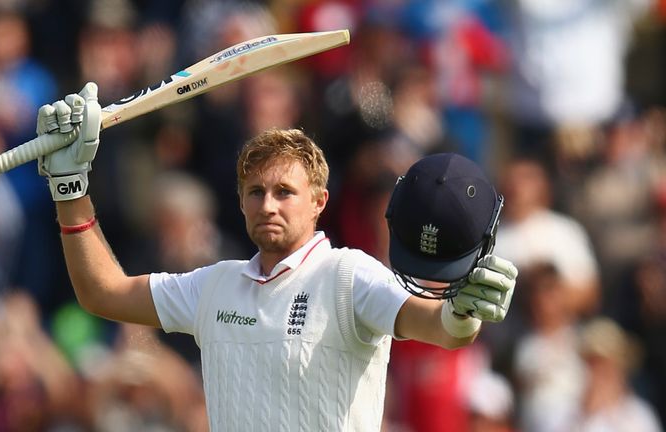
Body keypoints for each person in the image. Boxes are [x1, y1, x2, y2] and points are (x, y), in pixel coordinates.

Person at [33, 82, 518, 431]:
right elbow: (102, 293)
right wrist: (70, 188)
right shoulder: (214, 286)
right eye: (256, 191)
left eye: (285, 191)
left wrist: (462, 315)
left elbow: (437, 326)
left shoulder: (349, 275)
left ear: (318, 202)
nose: (268, 204)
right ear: (240, 201)